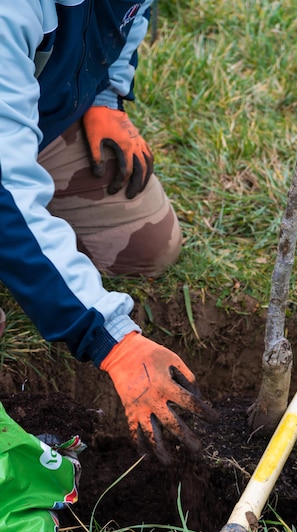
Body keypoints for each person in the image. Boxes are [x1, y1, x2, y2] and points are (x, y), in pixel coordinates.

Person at [0, 1, 217, 465]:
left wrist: (104, 98)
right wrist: (113, 341)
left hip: (33, 120)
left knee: (148, 244)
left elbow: (131, 12)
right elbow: (5, 187)